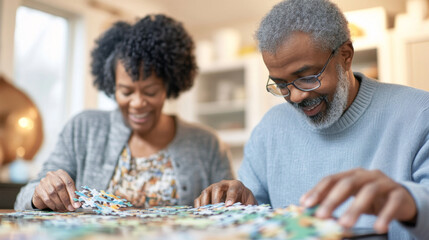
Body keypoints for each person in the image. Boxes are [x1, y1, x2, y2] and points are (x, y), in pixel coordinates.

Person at [194, 0, 429, 239]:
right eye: (281, 84)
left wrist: (410, 203)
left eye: (307, 77)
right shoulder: (270, 129)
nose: (295, 96)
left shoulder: (420, 114)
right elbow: (253, 220)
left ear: (346, 55)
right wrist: (240, 201)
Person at [15, 14, 233, 211]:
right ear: (112, 86)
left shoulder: (207, 144)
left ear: (169, 85)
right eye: (126, 91)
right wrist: (39, 195)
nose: (137, 103)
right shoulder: (83, 129)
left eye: (150, 91)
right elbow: (23, 199)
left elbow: (232, 209)